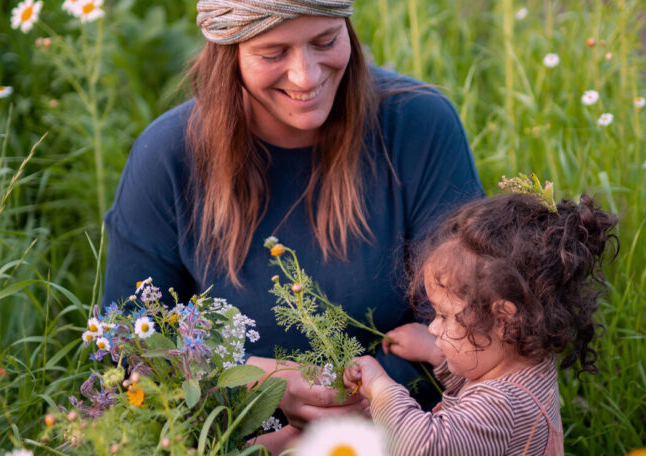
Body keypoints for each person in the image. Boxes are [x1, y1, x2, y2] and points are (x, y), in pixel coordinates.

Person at [100, 0, 484, 446]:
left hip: (411, 436)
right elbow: (126, 354)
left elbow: (473, 334)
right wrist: (255, 382)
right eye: (272, 53)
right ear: (229, 53)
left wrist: (356, 410)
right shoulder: (168, 158)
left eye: (325, 42)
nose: (306, 76)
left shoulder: (417, 126)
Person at [342, 191, 618, 455]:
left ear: (504, 319)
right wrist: (433, 351)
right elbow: (479, 367)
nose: (435, 327)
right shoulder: (524, 356)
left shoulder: (501, 408)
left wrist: (379, 387)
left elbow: (419, 445)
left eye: (445, 316)